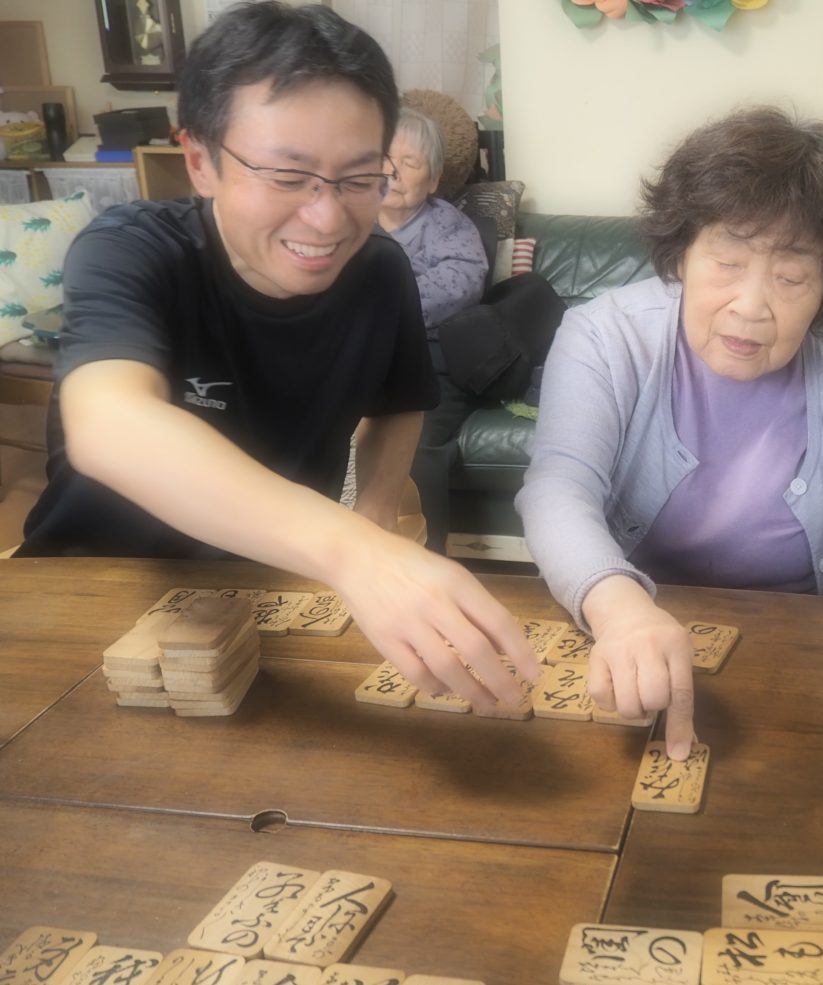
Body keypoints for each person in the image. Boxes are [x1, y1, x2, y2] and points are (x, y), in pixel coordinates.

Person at [17, 1, 539, 706]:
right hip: (94, 585)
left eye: (360, 178)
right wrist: (354, 551)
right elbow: (108, 424)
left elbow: (400, 403)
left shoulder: (381, 272)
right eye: (287, 177)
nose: (327, 219)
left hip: (276, 592)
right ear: (200, 160)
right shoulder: (132, 249)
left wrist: (375, 513)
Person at [516, 106, 823, 759]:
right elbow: (556, 490)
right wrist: (619, 608)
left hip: (799, 671)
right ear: (682, 254)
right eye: (727, 261)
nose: (751, 305)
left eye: (792, 277)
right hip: (624, 653)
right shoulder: (606, 337)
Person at [377, 108, 489, 552]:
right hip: (351, 351)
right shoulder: (347, 218)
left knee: (417, 445)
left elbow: (460, 286)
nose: (392, 171)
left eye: (410, 162)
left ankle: (426, 556)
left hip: (426, 354)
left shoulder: (449, 226)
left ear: (434, 179)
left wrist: (374, 308)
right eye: (385, 158)